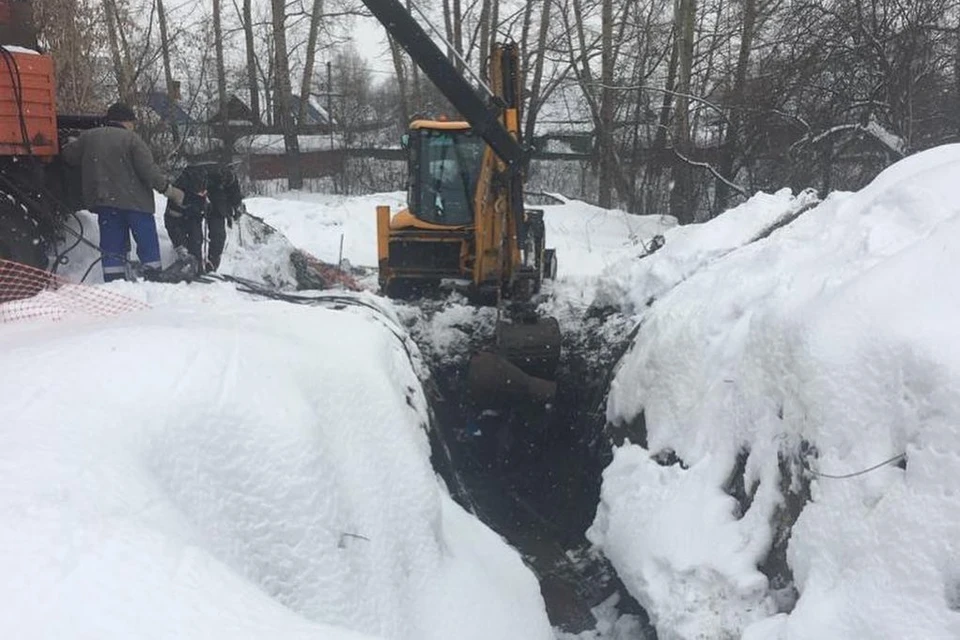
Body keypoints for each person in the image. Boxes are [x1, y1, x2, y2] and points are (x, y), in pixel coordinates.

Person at [62, 102, 185, 282]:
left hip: (105, 202)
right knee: (146, 241)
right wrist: (168, 190)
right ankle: (153, 277)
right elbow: (148, 170)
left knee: (112, 245)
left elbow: (68, 157)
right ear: (126, 122)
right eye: (132, 122)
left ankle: (114, 281)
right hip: (136, 204)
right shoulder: (132, 139)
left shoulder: (89, 137)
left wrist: (71, 143)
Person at [163, 162, 244, 273]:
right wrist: (180, 246)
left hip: (217, 193)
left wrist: (236, 204)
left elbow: (233, 188)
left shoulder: (223, 176)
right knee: (195, 236)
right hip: (191, 202)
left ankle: (212, 264)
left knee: (218, 233)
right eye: (200, 193)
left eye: (204, 192)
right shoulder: (181, 188)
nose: (203, 194)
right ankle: (194, 263)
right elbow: (171, 221)